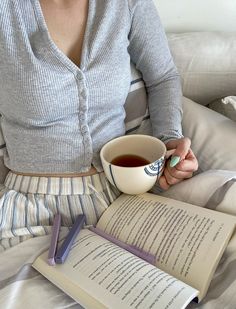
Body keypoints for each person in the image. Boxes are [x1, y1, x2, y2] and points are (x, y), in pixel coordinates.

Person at [0, 0, 198, 251]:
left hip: (123, 196)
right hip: (29, 208)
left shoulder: (126, 4)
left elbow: (162, 77)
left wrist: (170, 139)